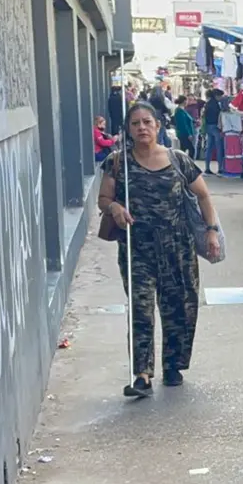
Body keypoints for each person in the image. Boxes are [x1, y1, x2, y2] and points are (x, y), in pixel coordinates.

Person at [97, 102, 222, 398]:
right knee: (140, 308)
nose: (142, 127)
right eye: (135, 123)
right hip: (137, 248)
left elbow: (203, 196)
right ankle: (141, 374)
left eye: (147, 122)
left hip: (178, 246)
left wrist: (212, 231)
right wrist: (114, 208)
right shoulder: (118, 162)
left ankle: (174, 365)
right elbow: (103, 198)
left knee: (180, 307)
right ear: (128, 129)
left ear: (158, 126)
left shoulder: (179, 160)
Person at [202, 88, 225, 175]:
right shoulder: (216, 105)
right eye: (220, 96)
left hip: (208, 127)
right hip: (216, 127)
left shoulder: (207, 104)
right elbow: (219, 116)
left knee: (209, 148)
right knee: (219, 148)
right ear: (216, 96)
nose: (221, 98)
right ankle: (220, 168)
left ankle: (207, 168)